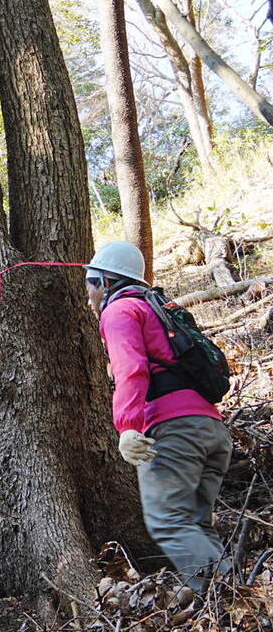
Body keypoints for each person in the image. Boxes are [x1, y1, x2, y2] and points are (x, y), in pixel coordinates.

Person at [86, 240, 232, 591]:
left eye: (90, 284)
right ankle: (240, 608)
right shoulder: (158, 307)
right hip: (211, 429)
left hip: (174, 432)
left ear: (106, 282)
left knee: (170, 523)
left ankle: (232, 608)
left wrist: (127, 426)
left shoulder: (120, 311)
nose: (88, 296)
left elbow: (131, 370)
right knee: (196, 525)